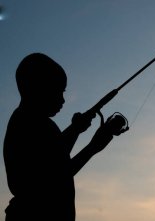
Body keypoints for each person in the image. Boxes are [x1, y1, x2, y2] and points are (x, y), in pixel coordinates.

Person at [3, 52, 121, 221]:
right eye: (57, 91)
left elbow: (53, 155)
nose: (63, 100)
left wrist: (76, 129)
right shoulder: (34, 124)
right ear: (37, 88)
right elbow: (56, 176)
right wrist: (92, 148)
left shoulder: (28, 120)